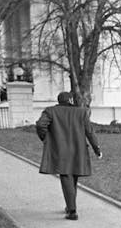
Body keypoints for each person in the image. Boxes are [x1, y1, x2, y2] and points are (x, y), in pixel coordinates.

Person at [36, 91, 102, 220]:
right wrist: (97, 149)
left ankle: (72, 210)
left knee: (66, 177)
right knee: (73, 178)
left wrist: (46, 138)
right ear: (70, 100)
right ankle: (70, 206)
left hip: (60, 150)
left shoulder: (50, 111)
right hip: (78, 150)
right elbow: (90, 132)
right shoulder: (81, 112)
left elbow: (40, 125)